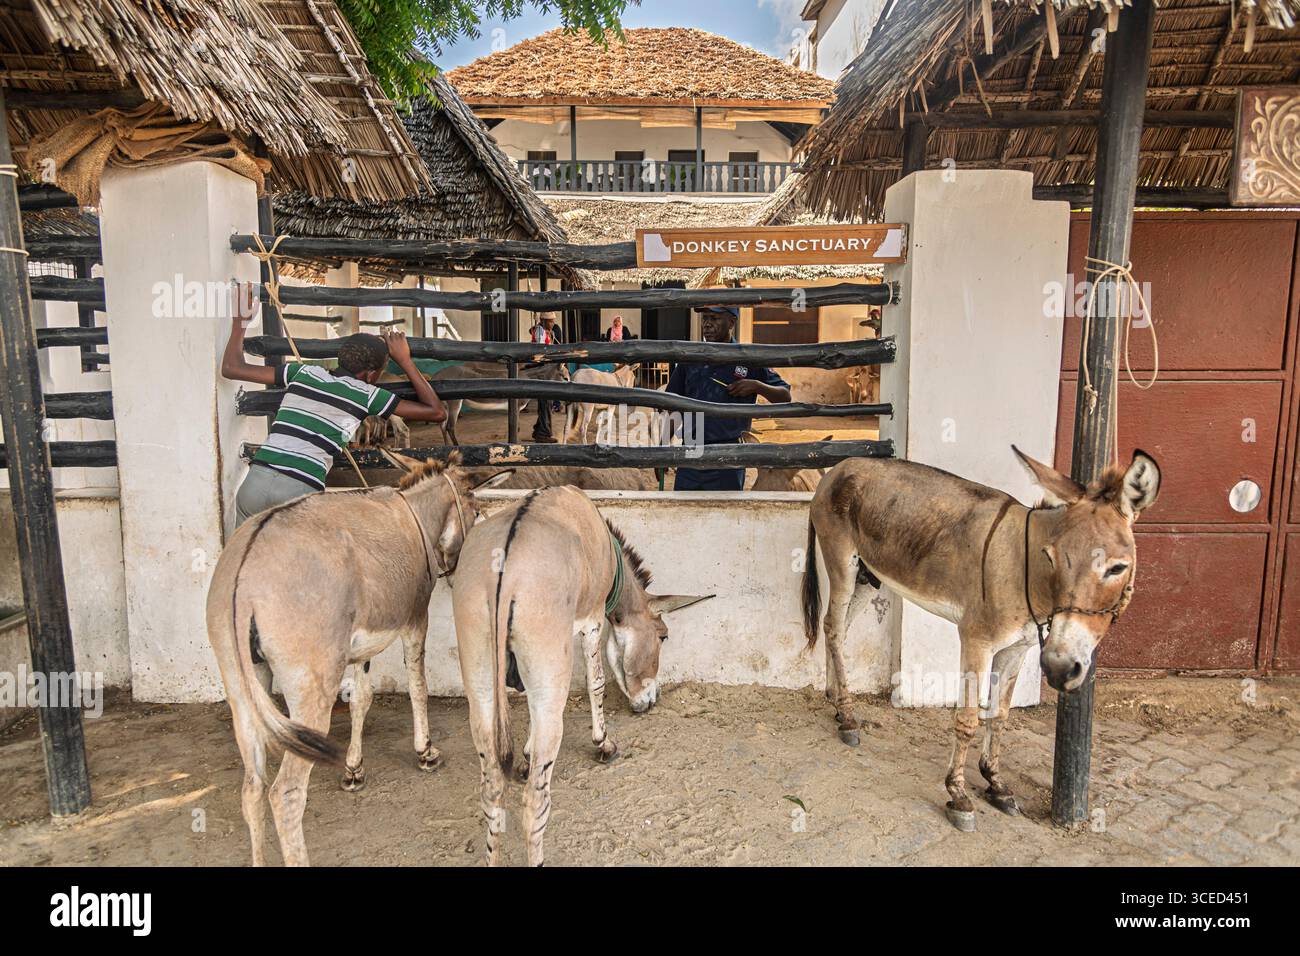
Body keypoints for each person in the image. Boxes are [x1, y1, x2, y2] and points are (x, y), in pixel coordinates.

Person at [221, 285, 447, 523]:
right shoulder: (368, 394)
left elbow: (232, 368)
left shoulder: (304, 372)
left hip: (255, 482)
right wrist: (405, 360)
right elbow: (437, 412)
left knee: (243, 560)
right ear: (371, 375)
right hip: (299, 492)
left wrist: (240, 322)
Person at [665, 305, 791, 491]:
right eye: (705, 318)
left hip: (730, 456)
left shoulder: (748, 358)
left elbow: (785, 396)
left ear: (732, 322)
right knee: (685, 513)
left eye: (715, 318)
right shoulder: (690, 358)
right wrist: (662, 449)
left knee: (726, 514)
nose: (707, 324)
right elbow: (672, 406)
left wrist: (757, 386)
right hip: (690, 453)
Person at [529, 311, 563, 442]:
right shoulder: (540, 332)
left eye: (553, 320)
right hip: (541, 371)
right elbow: (540, 352)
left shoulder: (548, 332)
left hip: (545, 370)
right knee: (545, 401)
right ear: (543, 321)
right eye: (550, 321)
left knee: (546, 402)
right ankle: (543, 433)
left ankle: (539, 429)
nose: (553, 323)